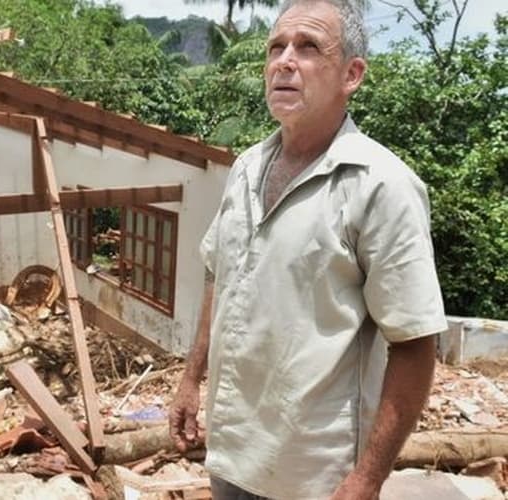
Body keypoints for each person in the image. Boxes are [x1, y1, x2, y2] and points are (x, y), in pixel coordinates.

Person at [168, 0, 447, 498]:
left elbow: (415, 343)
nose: (284, 61)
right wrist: (191, 380)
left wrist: (367, 478)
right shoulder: (247, 169)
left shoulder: (381, 186)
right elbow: (219, 274)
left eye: (309, 47)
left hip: (315, 474)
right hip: (231, 454)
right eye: (276, 46)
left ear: (352, 74)